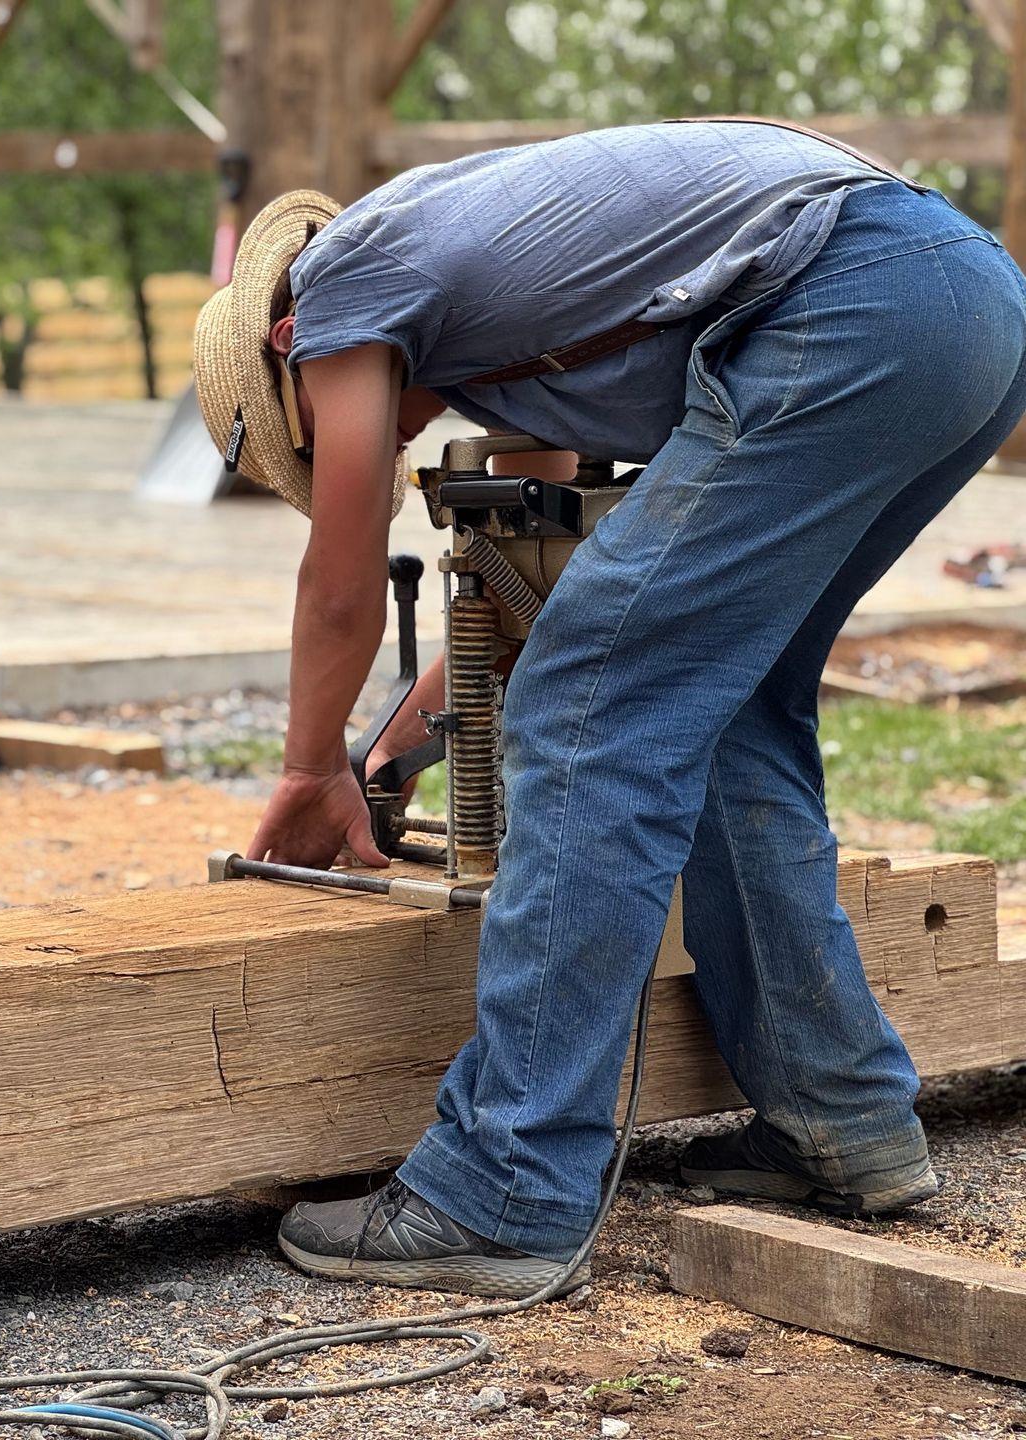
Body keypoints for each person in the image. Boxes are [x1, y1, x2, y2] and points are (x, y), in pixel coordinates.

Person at [190, 119, 1026, 1298]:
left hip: (851, 299)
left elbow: (344, 586)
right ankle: (842, 1123)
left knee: (604, 706)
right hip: (960, 297)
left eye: (309, 437)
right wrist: (385, 762)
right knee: (718, 698)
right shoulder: (500, 328)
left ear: (290, 351)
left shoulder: (340, 284)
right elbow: (550, 595)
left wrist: (305, 768)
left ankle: (505, 1187)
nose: (383, 440)